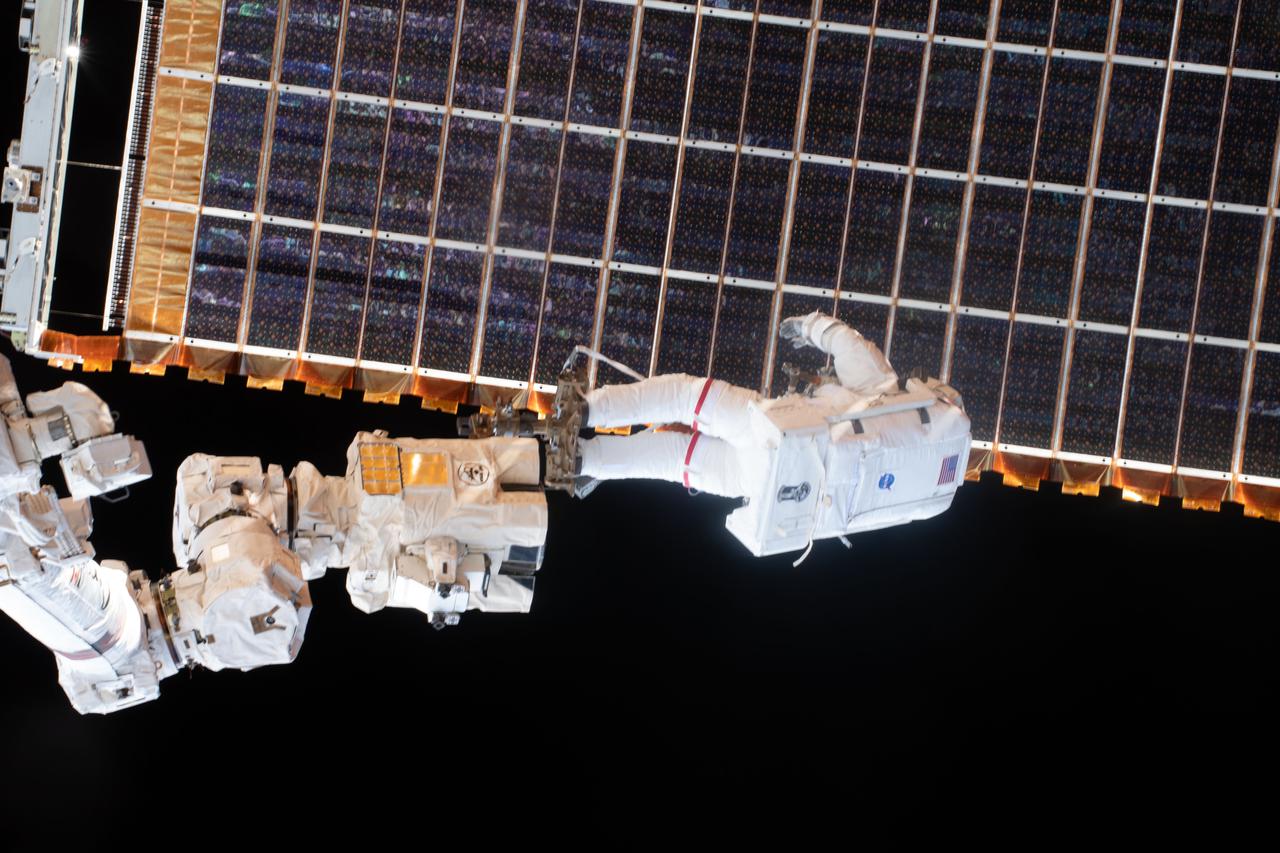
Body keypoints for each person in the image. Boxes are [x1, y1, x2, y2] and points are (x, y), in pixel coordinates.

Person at [557, 312, 972, 560]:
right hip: (779, 498)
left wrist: (808, 326)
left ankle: (588, 408)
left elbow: (850, 346)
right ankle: (585, 461)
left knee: (687, 397)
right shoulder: (929, 494)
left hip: (778, 433)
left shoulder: (892, 393)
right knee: (678, 457)